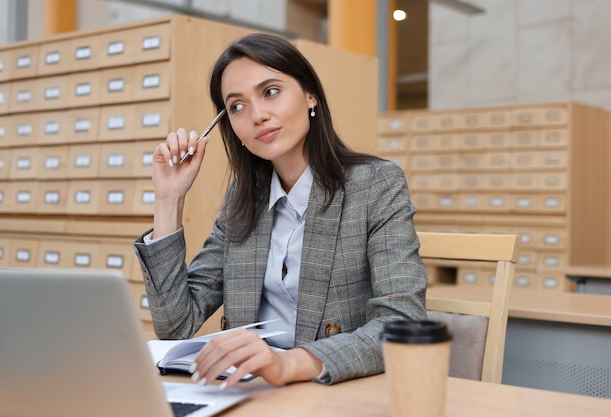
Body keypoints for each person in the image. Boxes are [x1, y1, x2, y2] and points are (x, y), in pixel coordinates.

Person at [133, 32, 427, 389]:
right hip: (251, 392)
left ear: (310, 95)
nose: (257, 115)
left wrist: (287, 364)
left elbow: (403, 323)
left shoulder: (375, 184)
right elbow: (175, 324)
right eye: (237, 106)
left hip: (332, 388)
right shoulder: (244, 198)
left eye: (270, 92)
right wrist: (168, 199)